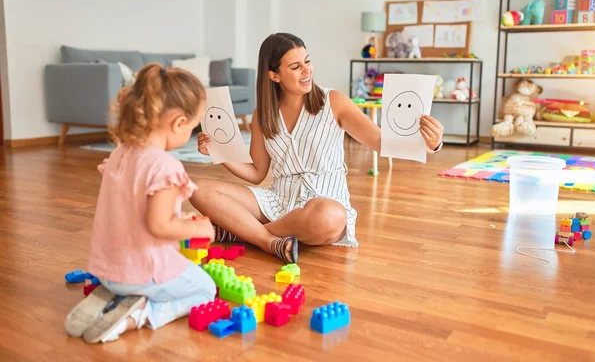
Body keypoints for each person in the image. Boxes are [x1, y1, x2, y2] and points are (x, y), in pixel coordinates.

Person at [192, 33, 444, 265]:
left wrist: (432, 143)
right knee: (198, 189)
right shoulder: (263, 115)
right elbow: (258, 173)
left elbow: (380, 141)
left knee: (329, 217)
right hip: (277, 200)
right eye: (295, 66)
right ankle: (269, 241)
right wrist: (218, 152)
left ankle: (243, 231)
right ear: (273, 75)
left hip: (323, 204)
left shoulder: (333, 102)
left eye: (307, 61)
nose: (306, 71)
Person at [64, 64, 216, 344]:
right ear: (179, 123)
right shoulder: (165, 166)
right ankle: (140, 316)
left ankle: (114, 295)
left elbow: (131, 206)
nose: (191, 133)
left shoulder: (122, 154)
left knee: (162, 275)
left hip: (106, 269)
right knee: (206, 289)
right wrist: (201, 230)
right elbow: (158, 225)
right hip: (141, 273)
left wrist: (179, 215)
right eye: (194, 127)